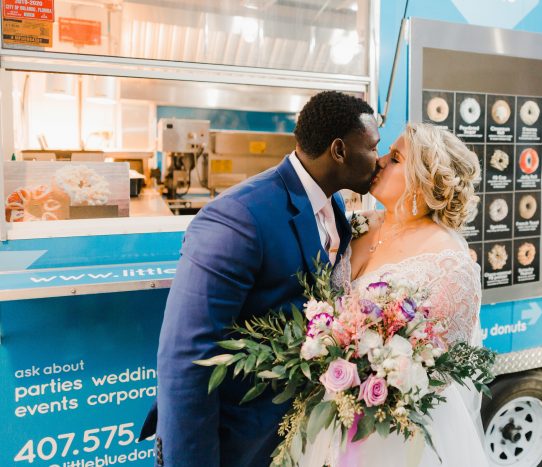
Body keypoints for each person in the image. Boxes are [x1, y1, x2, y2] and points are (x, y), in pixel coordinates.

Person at [140, 91, 380, 467]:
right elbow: (186, 355)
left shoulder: (332, 204)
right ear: (339, 150)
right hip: (235, 440)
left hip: (293, 436)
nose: (378, 160)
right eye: (373, 147)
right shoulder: (239, 217)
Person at [303, 122, 489, 466]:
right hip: (331, 408)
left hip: (396, 431)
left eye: (395, 158)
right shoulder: (360, 225)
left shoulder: (448, 258)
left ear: (423, 180)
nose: (379, 161)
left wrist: (382, 383)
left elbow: (449, 365)